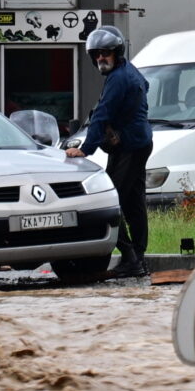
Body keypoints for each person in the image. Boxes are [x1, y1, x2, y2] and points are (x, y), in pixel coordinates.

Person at [64, 24, 152, 279]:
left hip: (129, 148)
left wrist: (86, 149)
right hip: (138, 143)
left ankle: (130, 258)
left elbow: (101, 115)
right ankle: (139, 259)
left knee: (109, 201)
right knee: (134, 203)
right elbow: (145, 87)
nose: (101, 58)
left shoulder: (118, 79)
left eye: (106, 53)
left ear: (117, 52)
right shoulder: (128, 72)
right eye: (96, 54)